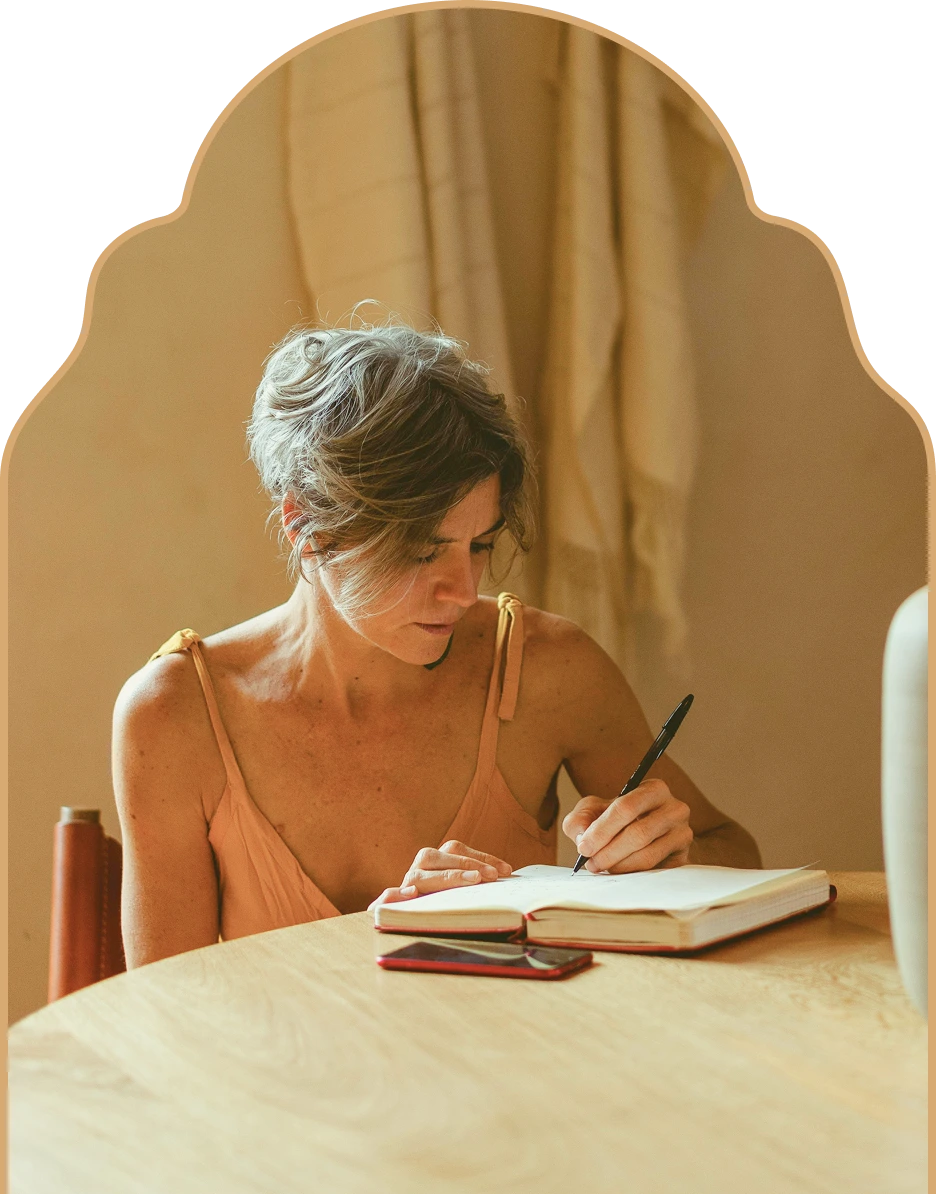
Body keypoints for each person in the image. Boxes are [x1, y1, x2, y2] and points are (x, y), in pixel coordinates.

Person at [113, 320, 760, 968]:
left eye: (479, 545)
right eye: (423, 552)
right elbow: (167, 1023)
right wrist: (396, 932)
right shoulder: (175, 717)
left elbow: (735, 854)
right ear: (304, 526)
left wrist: (674, 858)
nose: (462, 588)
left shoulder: (547, 671)